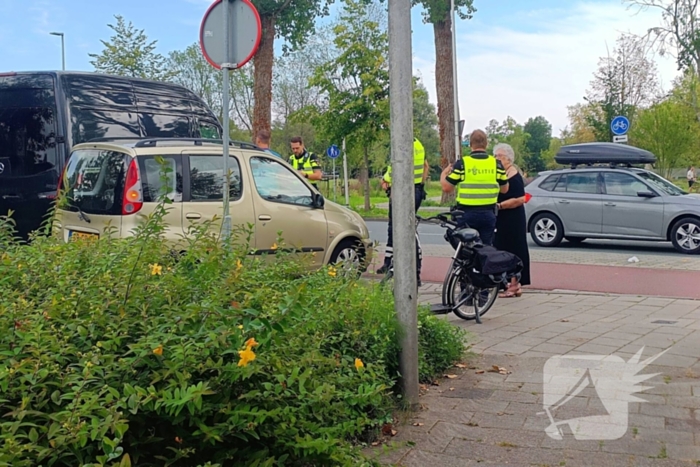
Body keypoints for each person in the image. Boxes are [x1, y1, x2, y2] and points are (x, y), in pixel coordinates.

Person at [440, 129, 509, 246]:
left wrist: (443, 175)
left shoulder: (462, 164)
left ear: (471, 144)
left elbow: (447, 188)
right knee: (486, 248)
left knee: (464, 247)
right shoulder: (496, 164)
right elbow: (505, 189)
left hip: (466, 213)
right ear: (486, 144)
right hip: (488, 213)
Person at [377, 138, 429, 287]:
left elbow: (395, 169)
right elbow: (425, 166)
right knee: (407, 229)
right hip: (416, 189)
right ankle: (392, 263)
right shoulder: (419, 144)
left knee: (399, 229)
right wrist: (421, 184)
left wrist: (385, 181)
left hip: (402, 192)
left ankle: (410, 271)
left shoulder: (401, 143)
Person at [493, 143, 531, 298]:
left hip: (512, 217)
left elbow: (519, 199)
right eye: (494, 156)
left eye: (499, 156)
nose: (496, 159)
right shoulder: (503, 174)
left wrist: (500, 206)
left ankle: (514, 284)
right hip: (503, 218)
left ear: (508, 158)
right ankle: (510, 283)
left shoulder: (514, 176)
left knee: (514, 249)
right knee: (502, 248)